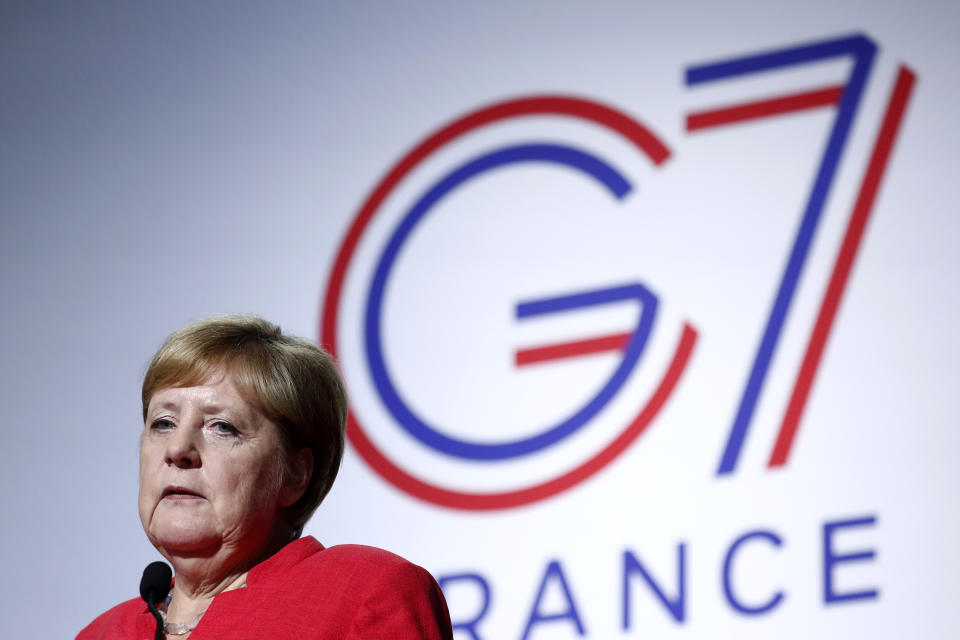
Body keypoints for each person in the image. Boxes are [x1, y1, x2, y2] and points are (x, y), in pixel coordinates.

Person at [76, 315, 453, 639]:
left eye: (222, 427)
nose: (178, 450)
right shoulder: (104, 632)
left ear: (294, 474)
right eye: (163, 423)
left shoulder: (363, 591)